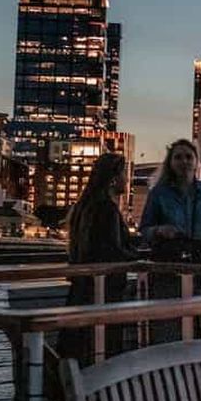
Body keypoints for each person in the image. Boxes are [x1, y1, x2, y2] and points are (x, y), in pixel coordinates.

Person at [139, 139, 201, 341]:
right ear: (170, 162)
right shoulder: (159, 193)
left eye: (188, 157)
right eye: (178, 157)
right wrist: (160, 230)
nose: (184, 161)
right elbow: (145, 229)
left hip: (199, 262)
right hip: (168, 263)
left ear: (197, 162)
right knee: (168, 324)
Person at [58, 153, 135, 365]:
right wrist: (137, 255)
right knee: (105, 346)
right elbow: (112, 250)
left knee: (81, 345)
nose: (126, 181)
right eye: (123, 175)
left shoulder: (85, 207)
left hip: (82, 287)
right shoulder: (106, 209)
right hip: (105, 289)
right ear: (113, 178)